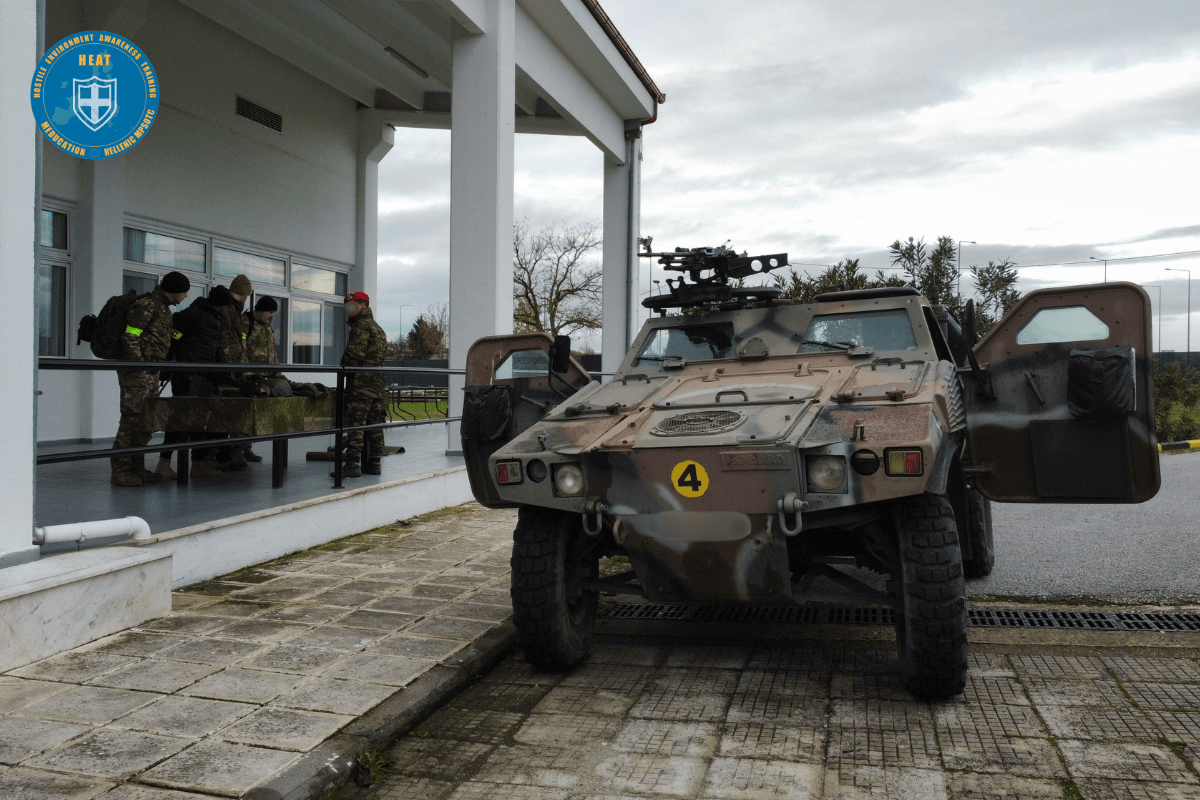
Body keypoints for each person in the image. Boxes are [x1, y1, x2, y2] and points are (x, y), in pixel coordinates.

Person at [111, 271, 189, 487]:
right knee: (131, 420)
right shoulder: (147, 305)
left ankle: (137, 467)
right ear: (174, 291)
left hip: (151, 373)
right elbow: (131, 335)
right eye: (184, 292)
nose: (186, 296)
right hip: (138, 374)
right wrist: (138, 366)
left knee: (145, 421)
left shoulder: (161, 307)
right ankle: (120, 471)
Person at [155, 285, 240, 479]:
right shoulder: (194, 314)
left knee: (198, 420)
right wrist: (172, 367)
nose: (229, 309)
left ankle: (198, 462)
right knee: (179, 419)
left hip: (203, 376)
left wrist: (222, 371)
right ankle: (164, 463)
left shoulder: (215, 317)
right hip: (186, 375)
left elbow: (214, 347)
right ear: (219, 303)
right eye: (227, 305)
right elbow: (174, 339)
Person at [338, 291, 388, 477]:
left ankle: (352, 464)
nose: (348, 308)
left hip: (361, 385)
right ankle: (374, 463)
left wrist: (342, 368)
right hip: (377, 385)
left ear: (362, 305)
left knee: (356, 425)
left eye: (352, 304)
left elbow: (353, 355)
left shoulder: (361, 326)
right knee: (375, 425)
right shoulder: (378, 328)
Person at [213, 273, 252, 470]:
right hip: (229, 370)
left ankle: (235, 450)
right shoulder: (229, 310)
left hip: (236, 367)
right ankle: (226, 453)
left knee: (235, 410)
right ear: (244, 294)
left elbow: (239, 342)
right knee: (229, 411)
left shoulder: (236, 311)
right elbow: (224, 341)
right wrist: (230, 367)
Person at [241, 295, 285, 462]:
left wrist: (277, 373)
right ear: (259, 311)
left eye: (273, 312)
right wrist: (244, 370)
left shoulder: (268, 328)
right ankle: (237, 450)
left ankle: (247, 447)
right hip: (250, 376)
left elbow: (272, 353)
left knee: (254, 416)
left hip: (267, 377)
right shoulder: (247, 323)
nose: (272, 316)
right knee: (243, 414)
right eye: (269, 312)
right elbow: (241, 347)